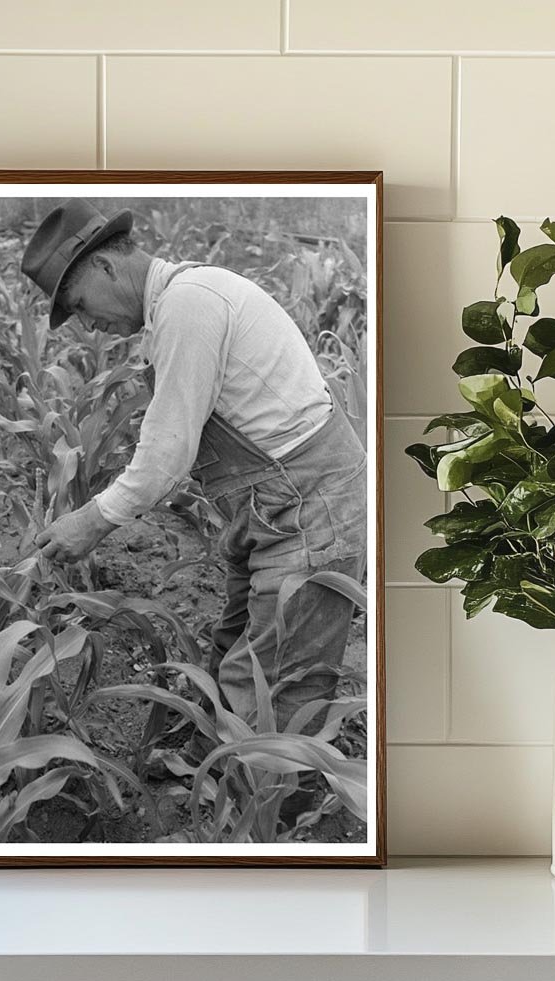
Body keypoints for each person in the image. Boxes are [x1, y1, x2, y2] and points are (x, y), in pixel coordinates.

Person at [20, 198, 367, 733]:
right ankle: (219, 769)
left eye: (83, 305)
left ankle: (270, 805)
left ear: (107, 267)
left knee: (275, 688)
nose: (90, 325)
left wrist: (91, 520)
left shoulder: (189, 305)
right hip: (272, 510)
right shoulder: (175, 309)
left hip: (308, 509)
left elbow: (168, 451)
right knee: (237, 651)